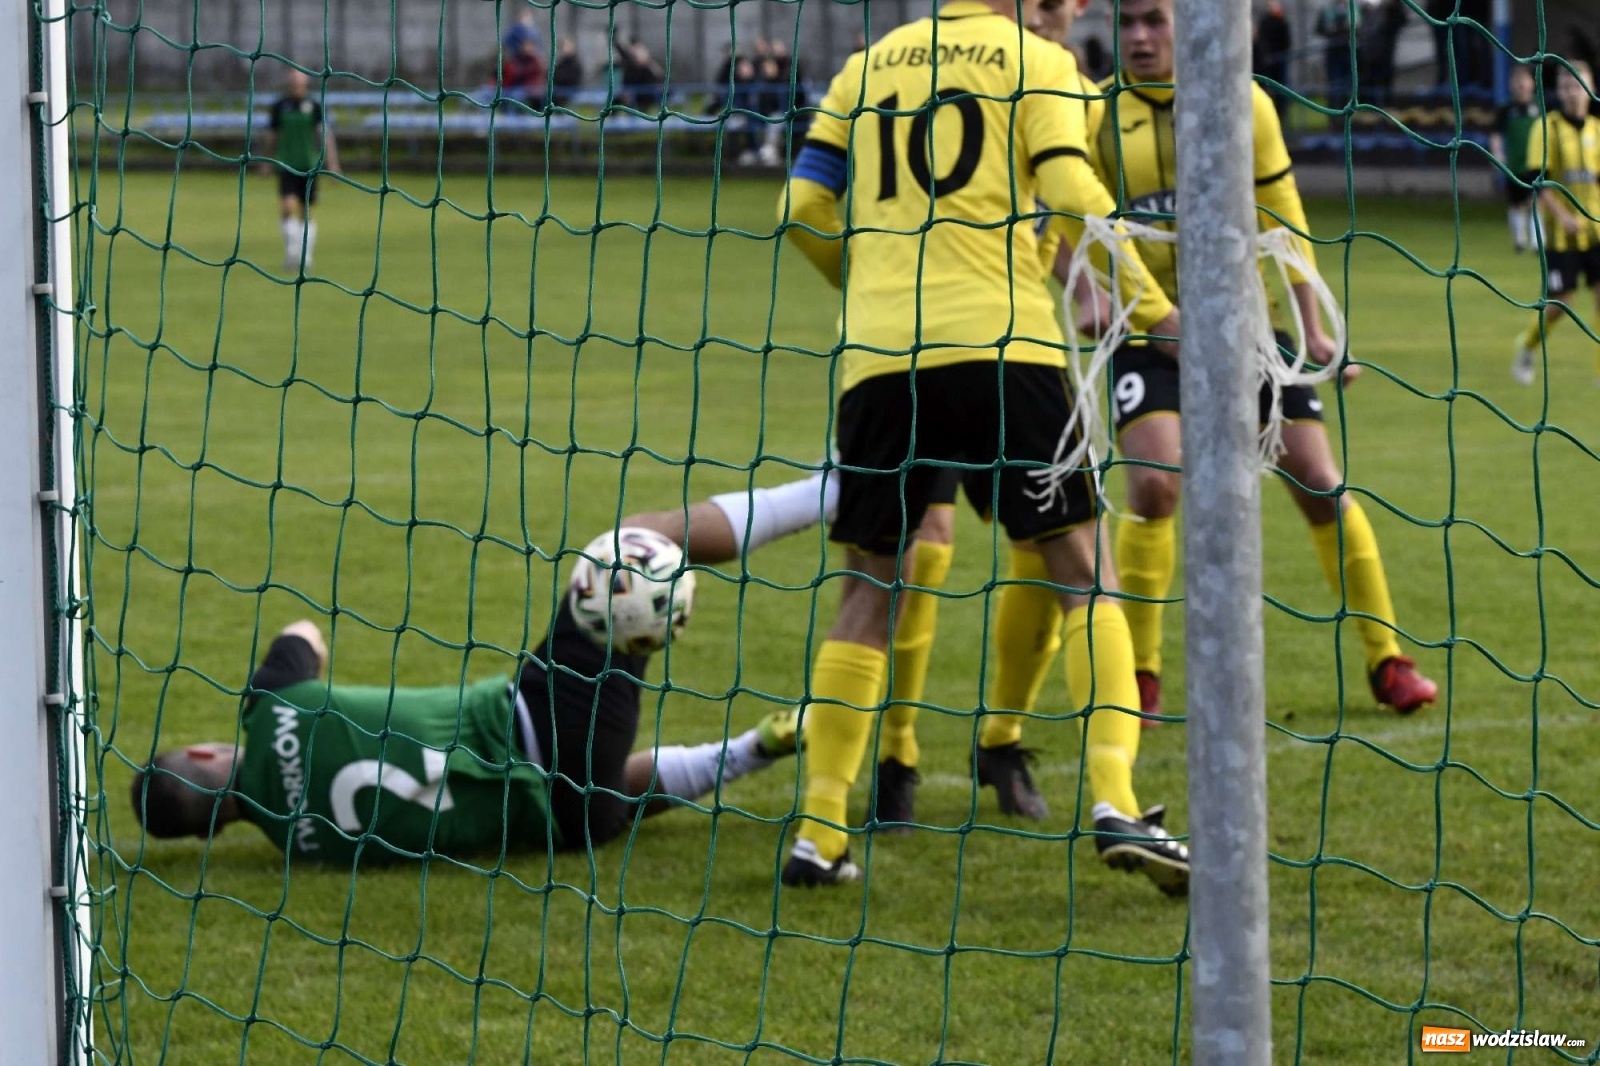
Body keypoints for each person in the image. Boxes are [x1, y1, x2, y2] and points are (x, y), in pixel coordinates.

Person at [776, 0, 1189, 895]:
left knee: (868, 588)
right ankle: (1117, 800)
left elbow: (803, 203)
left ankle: (819, 831)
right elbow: (1075, 196)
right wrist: (1160, 315)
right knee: (1084, 572)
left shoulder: (867, 64)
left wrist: (874, 281)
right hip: (1005, 348)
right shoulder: (1034, 61)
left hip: (882, 359)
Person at [127, 474, 850, 861]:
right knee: (625, 549)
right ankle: (833, 489)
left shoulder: (297, 846)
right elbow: (302, 631)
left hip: (567, 823)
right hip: (535, 717)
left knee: (608, 788)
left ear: (209, 833)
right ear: (201, 751)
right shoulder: (271, 704)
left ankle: (757, 748)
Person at [1092, 0, 1439, 728]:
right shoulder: (1096, 114)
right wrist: (1101, 294)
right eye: (1128, 25)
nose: (1141, 38)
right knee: (1155, 486)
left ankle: (1389, 658)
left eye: (1155, 21)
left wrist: (1313, 330)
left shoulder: (1243, 99)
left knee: (1318, 481)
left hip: (1246, 326)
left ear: (1191, 27)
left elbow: (1284, 219)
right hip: (1148, 326)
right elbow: (1071, 222)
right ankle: (1143, 676)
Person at [867, 0, 1124, 835]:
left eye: (1070, 8)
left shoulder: (1066, 91)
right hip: (935, 340)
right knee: (921, 548)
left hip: (995, 342)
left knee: (1046, 553)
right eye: (1048, 4)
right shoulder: (970, 71)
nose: (1060, 17)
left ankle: (1002, 739)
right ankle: (895, 755)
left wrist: (1083, 282)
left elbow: (1043, 223)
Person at [1513, 62, 1600, 387]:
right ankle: (1527, 344)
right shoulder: (1546, 127)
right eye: (1566, 86)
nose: (1572, 91)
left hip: (1596, 231)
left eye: (1578, 84)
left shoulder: (1597, 129)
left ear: (1590, 87)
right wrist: (1564, 216)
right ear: (1559, 91)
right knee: (1561, 303)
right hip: (1561, 234)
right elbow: (1537, 181)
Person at [261, 69, 340, 274]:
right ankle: (291, 251)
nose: (296, 85)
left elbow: (324, 136)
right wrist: (267, 161)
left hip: (309, 166)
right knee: (287, 207)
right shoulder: (280, 106)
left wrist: (332, 164)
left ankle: (306, 256)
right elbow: (272, 135)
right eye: (293, 81)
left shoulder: (314, 106)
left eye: (299, 81)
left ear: (305, 84)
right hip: (287, 164)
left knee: (306, 211)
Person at [1493, 65, 1543, 254]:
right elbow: (1496, 134)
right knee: (1516, 203)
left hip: (1536, 162)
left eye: (1524, 80)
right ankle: (1519, 240)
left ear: (1532, 83)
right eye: (1517, 81)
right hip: (1514, 164)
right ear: (1511, 84)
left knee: (1536, 201)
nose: (1521, 85)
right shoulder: (1506, 109)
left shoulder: (1540, 107)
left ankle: (1538, 242)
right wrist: (1498, 154)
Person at [1254, 1, 1293, 114]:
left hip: (1279, 60)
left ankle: (1281, 114)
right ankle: (1271, 112)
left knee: (1281, 89)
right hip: (1267, 61)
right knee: (1268, 89)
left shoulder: (1282, 22)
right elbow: (1262, 41)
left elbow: (1286, 42)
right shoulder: (1265, 22)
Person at [1315, 0, 1357, 106]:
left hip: (1347, 50)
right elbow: (1318, 28)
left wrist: (1348, 28)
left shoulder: (1353, 9)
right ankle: (1334, 112)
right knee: (1333, 82)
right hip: (1333, 51)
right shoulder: (1328, 10)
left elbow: (1359, 27)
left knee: (1347, 82)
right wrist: (1330, 29)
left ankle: (1346, 108)